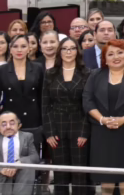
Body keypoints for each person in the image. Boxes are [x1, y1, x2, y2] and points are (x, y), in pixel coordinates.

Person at [84, 39, 124, 195]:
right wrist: (102, 119)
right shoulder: (95, 75)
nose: (116, 57)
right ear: (105, 59)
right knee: (106, 179)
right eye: (110, 54)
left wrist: (123, 119)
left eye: (120, 52)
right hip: (102, 132)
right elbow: (87, 100)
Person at [43, 37, 91, 195]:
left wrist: (84, 132)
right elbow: (45, 105)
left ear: (78, 51)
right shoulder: (50, 74)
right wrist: (49, 132)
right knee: (60, 174)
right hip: (56, 128)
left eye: (72, 48)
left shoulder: (87, 73)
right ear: (59, 52)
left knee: (79, 173)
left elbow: (88, 105)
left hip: (79, 126)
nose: (69, 52)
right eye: (65, 48)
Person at [0, 111, 40, 195]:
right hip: (1, 174)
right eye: (4, 125)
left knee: (28, 167)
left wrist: (19, 163)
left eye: (12, 123)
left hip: (22, 174)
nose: (8, 127)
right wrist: (1, 169)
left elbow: (34, 157)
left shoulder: (27, 137)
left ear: (19, 125)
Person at [0, 34, 44, 139]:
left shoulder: (38, 68)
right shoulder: (1, 70)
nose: (19, 50)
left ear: (29, 49)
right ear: (10, 49)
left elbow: (42, 97)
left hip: (33, 119)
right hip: (10, 121)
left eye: (23, 46)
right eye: (15, 46)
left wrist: (44, 123)